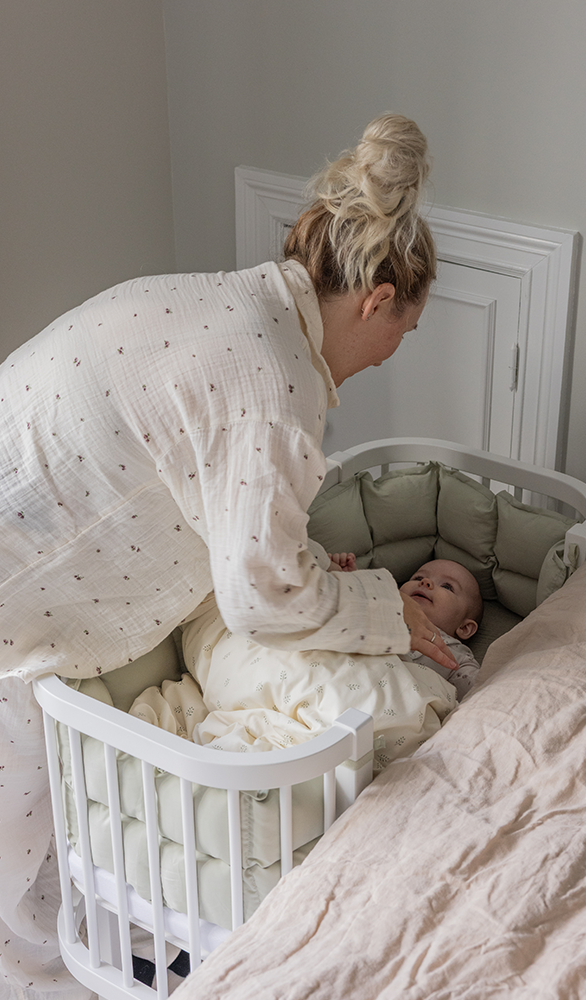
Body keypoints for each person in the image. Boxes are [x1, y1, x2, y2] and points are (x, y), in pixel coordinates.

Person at [0, 113, 453, 994]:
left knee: (52, 820)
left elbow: (220, 492)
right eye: (401, 332)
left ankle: (67, 946)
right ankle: (40, 973)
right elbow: (260, 600)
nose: (390, 353)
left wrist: (322, 573)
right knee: (29, 810)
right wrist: (382, 613)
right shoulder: (276, 387)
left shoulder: (235, 301)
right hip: (19, 574)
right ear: (375, 302)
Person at [330, 554, 483, 700]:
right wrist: (346, 578)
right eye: (418, 578)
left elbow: (482, 691)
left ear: (464, 628)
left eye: (447, 587)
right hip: (339, 681)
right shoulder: (380, 610)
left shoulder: (455, 655)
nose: (426, 582)